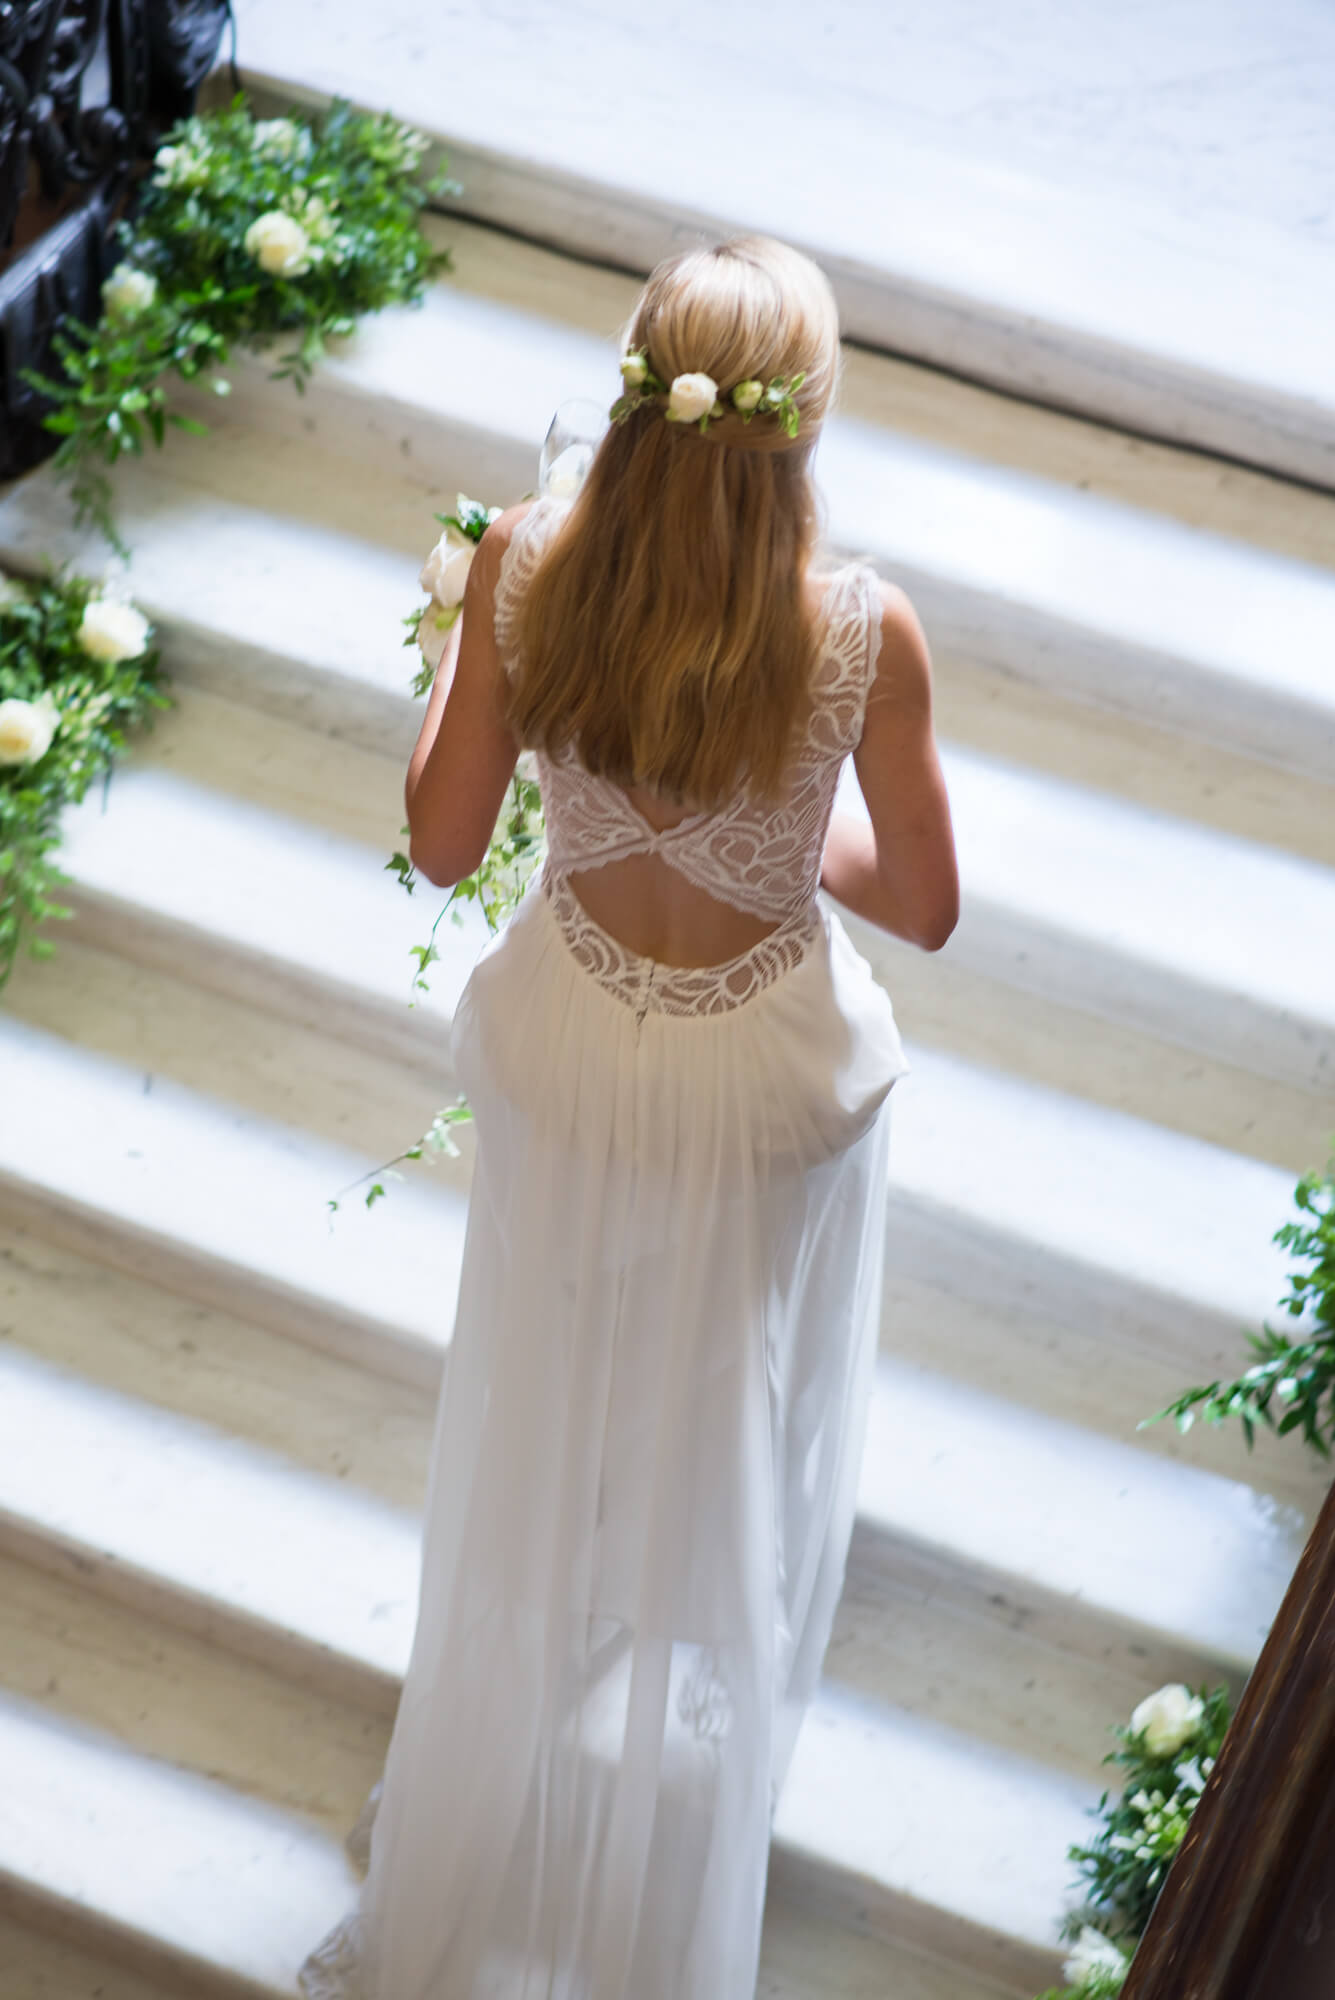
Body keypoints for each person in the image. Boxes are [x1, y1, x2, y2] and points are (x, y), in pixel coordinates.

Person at [301, 233, 958, 2000]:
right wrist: (772, 830)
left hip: (573, 1039)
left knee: (551, 1344)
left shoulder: (530, 561)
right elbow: (922, 903)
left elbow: (446, 845)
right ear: (804, 417)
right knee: (729, 1373)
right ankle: (696, 1650)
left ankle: (535, 1622)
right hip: (759, 1074)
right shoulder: (860, 629)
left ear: (634, 387)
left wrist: (455, 657)